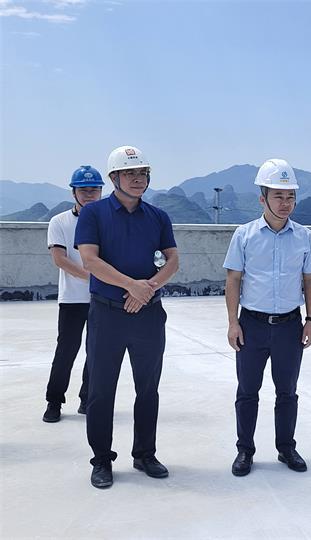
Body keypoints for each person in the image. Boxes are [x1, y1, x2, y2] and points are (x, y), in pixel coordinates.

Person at [75, 145, 179, 489]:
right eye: (130, 173)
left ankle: (145, 454)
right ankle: (101, 460)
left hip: (149, 315)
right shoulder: (94, 214)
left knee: (148, 388)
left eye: (143, 173)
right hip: (107, 315)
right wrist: (131, 286)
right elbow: (90, 260)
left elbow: (173, 260)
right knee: (101, 390)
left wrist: (146, 290)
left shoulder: (158, 216)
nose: (138, 179)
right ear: (114, 178)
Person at [224, 158, 311, 477]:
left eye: (290, 196)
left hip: (289, 326)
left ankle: (286, 448)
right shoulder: (244, 235)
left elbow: (310, 280)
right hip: (251, 325)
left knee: (287, 392)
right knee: (247, 391)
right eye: (278, 196)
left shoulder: (304, 236)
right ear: (262, 198)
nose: (285, 203)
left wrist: (310, 320)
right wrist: (233, 322)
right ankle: (245, 450)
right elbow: (233, 280)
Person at [42, 166, 104, 423]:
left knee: (97, 352)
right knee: (66, 351)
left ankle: (87, 399)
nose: (89, 194)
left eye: (94, 190)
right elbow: (60, 259)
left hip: (102, 298)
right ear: (73, 192)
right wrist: (94, 277)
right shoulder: (59, 222)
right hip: (72, 299)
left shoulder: (106, 221)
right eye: (83, 190)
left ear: (101, 192)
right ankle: (54, 401)